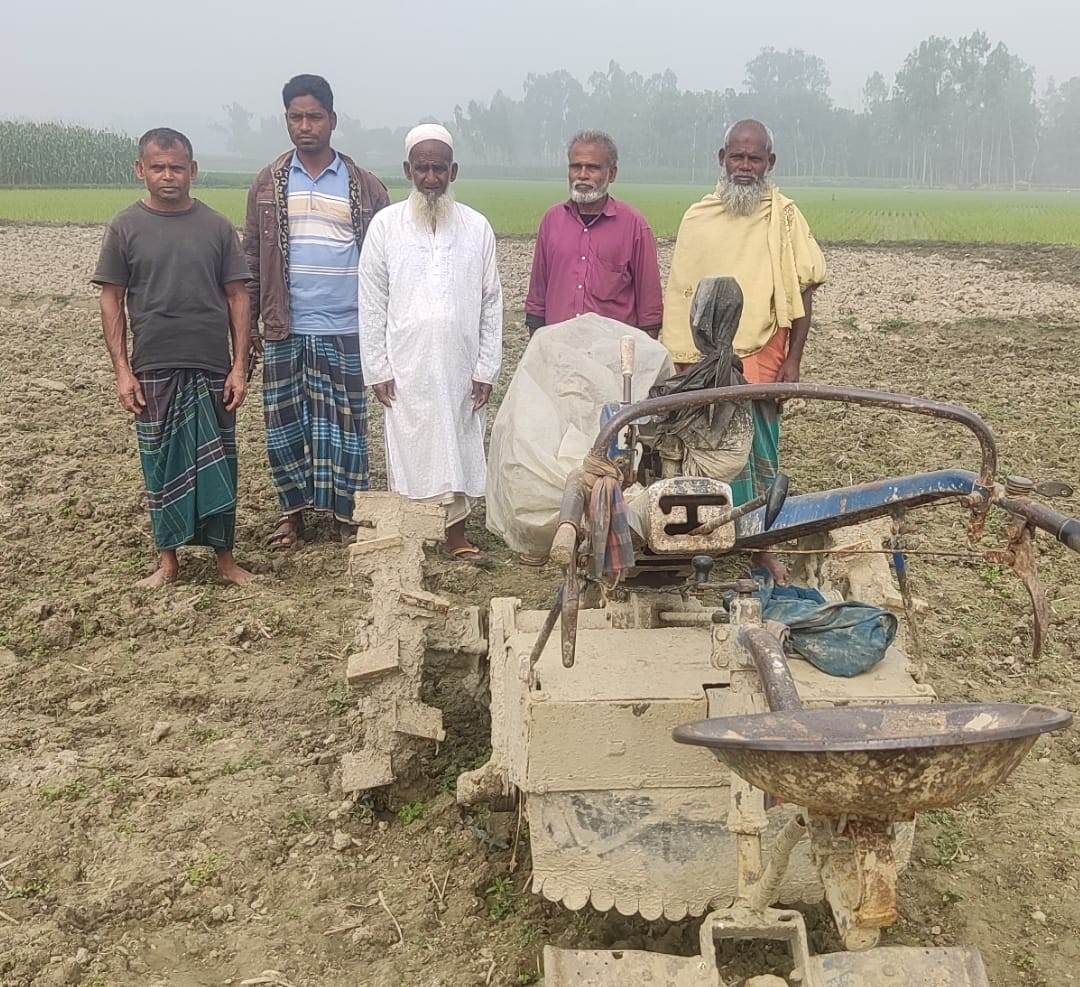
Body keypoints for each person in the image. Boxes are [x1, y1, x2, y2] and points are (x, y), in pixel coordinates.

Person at [662, 119, 827, 582]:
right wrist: (683, 358)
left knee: (760, 447)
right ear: (722, 158)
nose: (745, 166)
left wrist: (793, 360)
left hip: (763, 351)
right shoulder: (698, 217)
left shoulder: (785, 217)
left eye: (755, 158)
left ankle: (760, 545)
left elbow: (804, 292)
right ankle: (705, 537)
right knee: (704, 444)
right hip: (703, 361)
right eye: (738, 156)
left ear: (769, 163)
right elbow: (681, 293)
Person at [94, 128, 254, 588]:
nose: (169, 176)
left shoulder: (217, 227)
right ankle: (168, 561)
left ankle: (225, 560)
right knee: (160, 464)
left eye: (177, 167)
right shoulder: (125, 227)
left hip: (211, 366)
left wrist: (239, 365)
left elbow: (237, 297)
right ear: (140, 170)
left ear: (193, 171)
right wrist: (122, 371)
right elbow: (112, 299)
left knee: (220, 461)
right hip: (153, 366)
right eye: (159, 167)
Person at [244, 73, 390, 550]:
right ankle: (293, 514)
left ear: (333, 119)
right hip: (286, 326)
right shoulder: (267, 183)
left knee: (346, 426)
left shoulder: (365, 186)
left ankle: (348, 514)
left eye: (314, 116)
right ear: (285, 119)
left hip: (349, 327)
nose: (304, 126)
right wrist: (248, 329)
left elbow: (387, 261)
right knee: (287, 424)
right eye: (295, 117)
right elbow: (250, 259)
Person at [358, 124, 502, 562]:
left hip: (461, 365)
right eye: (422, 167)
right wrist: (377, 368)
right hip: (406, 364)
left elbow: (492, 301)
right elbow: (371, 301)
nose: (431, 176)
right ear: (408, 170)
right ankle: (411, 535)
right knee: (410, 447)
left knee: (459, 445)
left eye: (439, 167)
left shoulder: (477, 227)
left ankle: (457, 536)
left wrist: (486, 368)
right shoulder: (385, 226)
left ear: (453, 170)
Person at [525, 130, 663, 338]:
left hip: (612, 356)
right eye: (575, 166)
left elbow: (650, 311)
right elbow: (537, 301)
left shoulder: (634, 226)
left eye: (592, 168)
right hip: (560, 350)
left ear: (612, 173)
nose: (582, 175)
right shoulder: (551, 221)